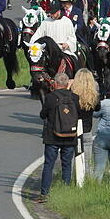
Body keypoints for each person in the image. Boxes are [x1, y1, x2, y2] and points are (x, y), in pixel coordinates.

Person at [37, 73, 84, 202]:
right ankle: (65, 191)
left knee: (49, 164)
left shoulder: (50, 97)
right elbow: (79, 114)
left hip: (53, 136)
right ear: (68, 83)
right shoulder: (75, 98)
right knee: (67, 164)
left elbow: (43, 115)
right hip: (70, 136)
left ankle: (44, 193)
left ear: (55, 83)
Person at [69, 68, 98, 168]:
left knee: (71, 160)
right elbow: (98, 108)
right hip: (87, 129)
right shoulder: (93, 95)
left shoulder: (72, 95)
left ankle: (71, 180)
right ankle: (87, 179)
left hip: (72, 130)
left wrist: (68, 87)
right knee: (87, 161)